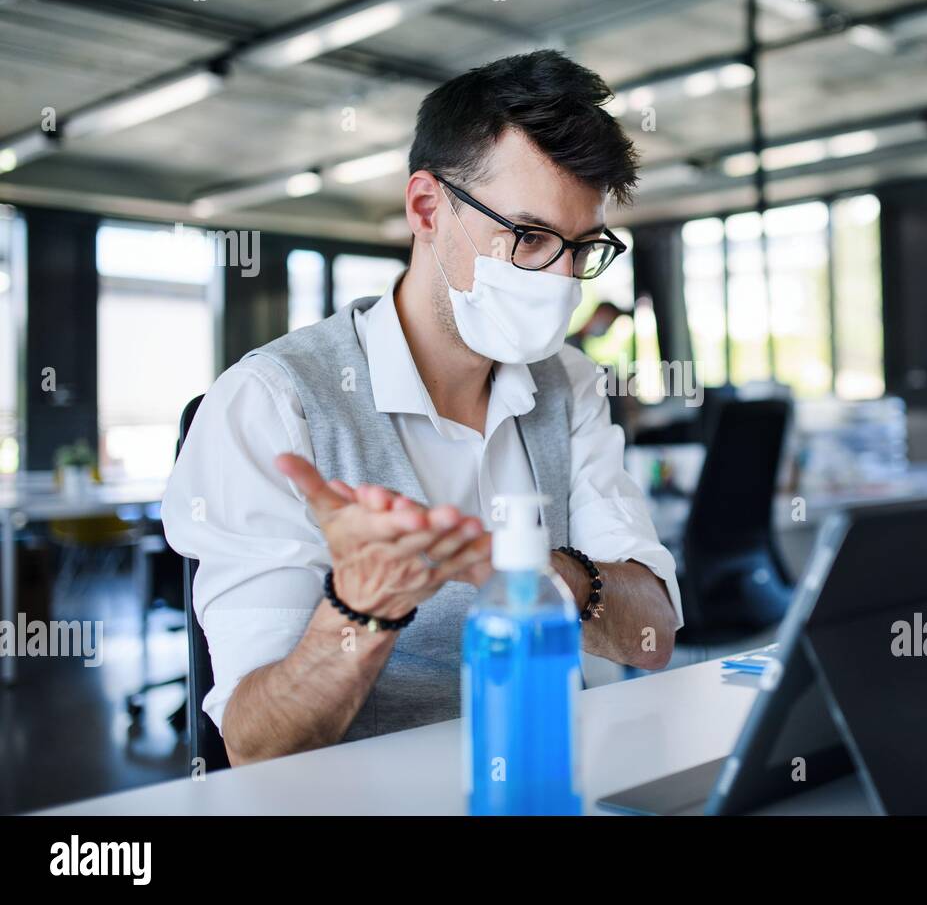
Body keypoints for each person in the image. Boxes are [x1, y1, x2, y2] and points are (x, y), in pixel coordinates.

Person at [163, 51, 682, 765]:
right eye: (528, 238)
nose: (560, 281)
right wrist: (366, 604)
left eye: (582, 248)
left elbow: (652, 639)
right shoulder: (273, 403)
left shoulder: (569, 382)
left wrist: (536, 569)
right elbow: (257, 743)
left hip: (548, 781)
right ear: (427, 209)